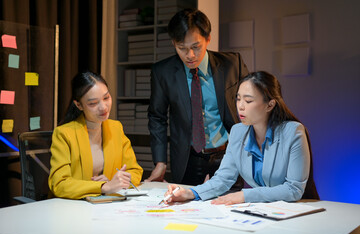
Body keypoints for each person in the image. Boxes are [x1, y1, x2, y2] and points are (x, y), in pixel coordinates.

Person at [164, 71, 319, 204]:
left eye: (248, 100)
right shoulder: (238, 132)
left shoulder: (293, 132)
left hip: (296, 210)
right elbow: (223, 178)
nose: (240, 106)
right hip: (263, 211)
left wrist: (245, 195)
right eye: (238, 99)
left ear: (270, 105)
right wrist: (190, 193)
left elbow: (293, 189)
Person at [146, 9, 249, 185]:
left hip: (229, 155)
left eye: (196, 46)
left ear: (208, 39)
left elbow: (252, 104)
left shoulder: (232, 64)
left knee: (230, 209)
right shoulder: (163, 72)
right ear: (174, 43)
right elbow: (157, 117)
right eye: (182, 48)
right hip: (188, 159)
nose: (190, 55)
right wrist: (160, 162)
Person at [48, 71, 143, 199]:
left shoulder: (116, 128)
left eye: (106, 98)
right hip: (73, 208)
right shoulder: (64, 134)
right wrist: (103, 186)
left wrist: (114, 182)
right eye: (93, 103)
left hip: (105, 206)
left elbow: (135, 171)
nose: (103, 107)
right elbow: (59, 184)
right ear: (79, 105)